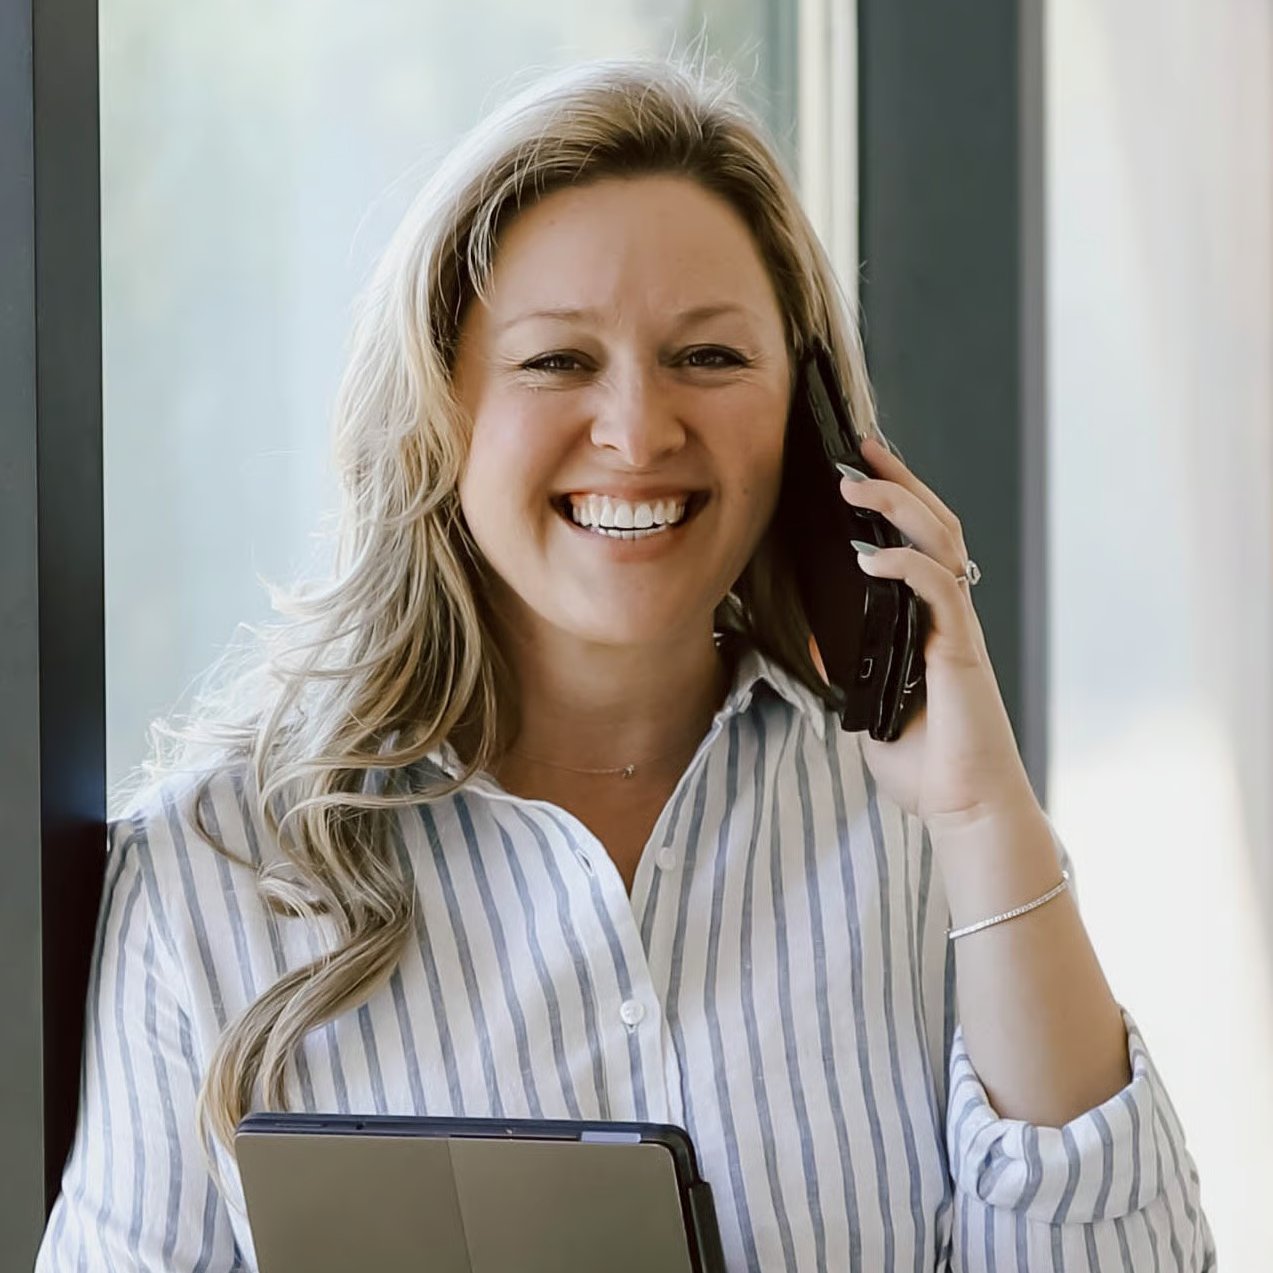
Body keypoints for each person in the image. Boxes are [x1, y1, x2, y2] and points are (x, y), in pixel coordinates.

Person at [37, 56, 1215, 1271]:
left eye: (709, 358)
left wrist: (982, 816)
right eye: (556, 361)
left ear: (809, 426)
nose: (639, 431)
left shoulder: (929, 842)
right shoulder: (212, 873)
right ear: (441, 409)